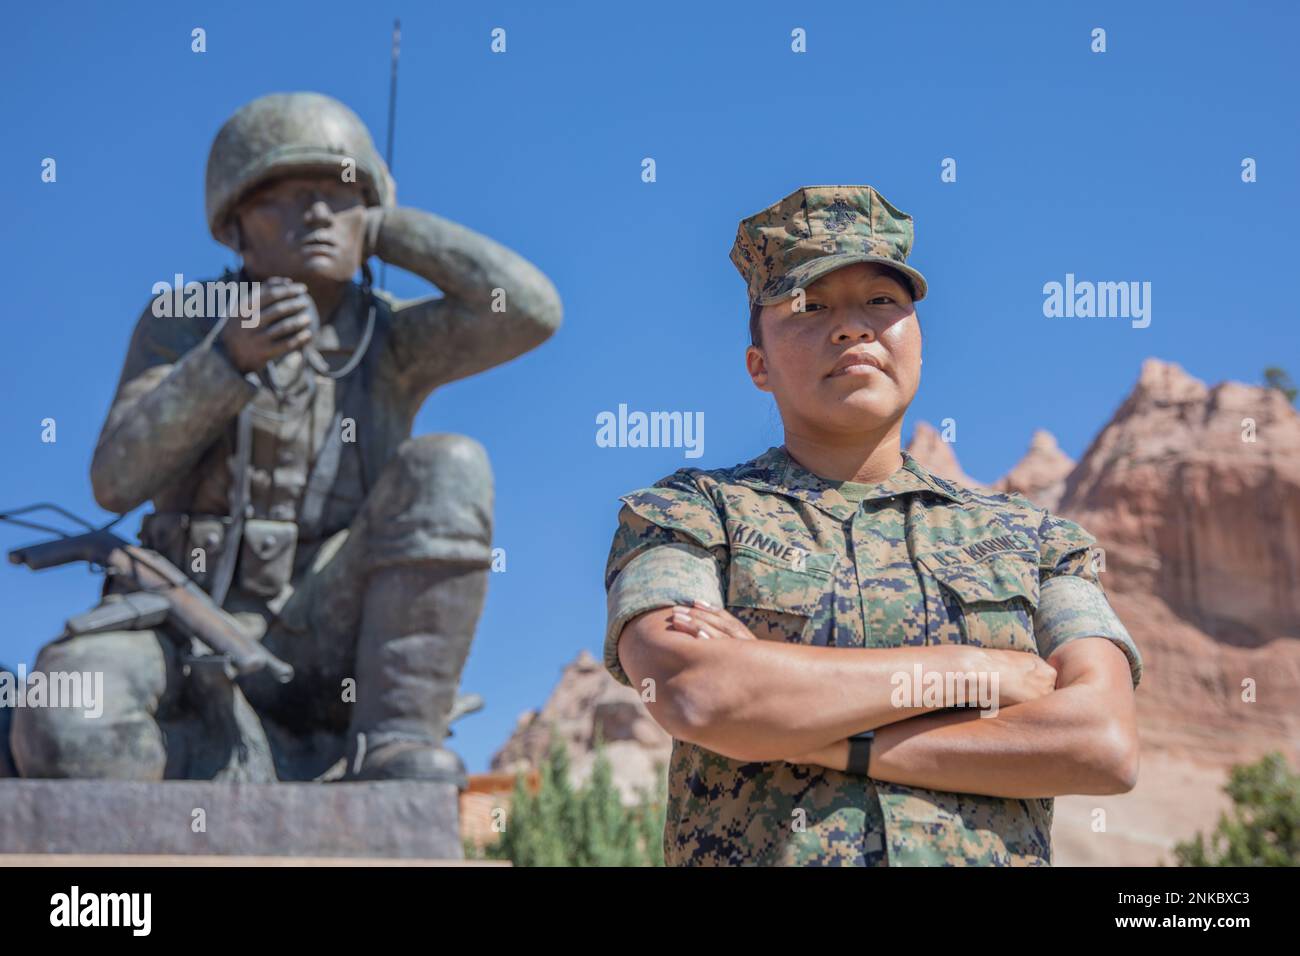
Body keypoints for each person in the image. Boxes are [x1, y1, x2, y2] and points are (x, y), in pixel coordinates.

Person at [12, 92, 562, 783]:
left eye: (341, 194)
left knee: (450, 462)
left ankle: (390, 743)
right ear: (237, 220)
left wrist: (388, 225)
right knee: (70, 726)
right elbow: (114, 481)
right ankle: (223, 771)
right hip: (181, 622)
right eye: (289, 195)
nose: (319, 213)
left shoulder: (388, 339)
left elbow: (531, 311)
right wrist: (223, 363)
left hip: (328, 629)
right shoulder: (184, 321)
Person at [602, 185, 1142, 866]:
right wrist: (972, 671)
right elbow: (700, 693)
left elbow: (1102, 745)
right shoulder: (686, 514)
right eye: (810, 305)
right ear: (758, 366)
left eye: (881, 302)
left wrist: (797, 729)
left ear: (918, 338)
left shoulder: (1037, 541)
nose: (852, 327)